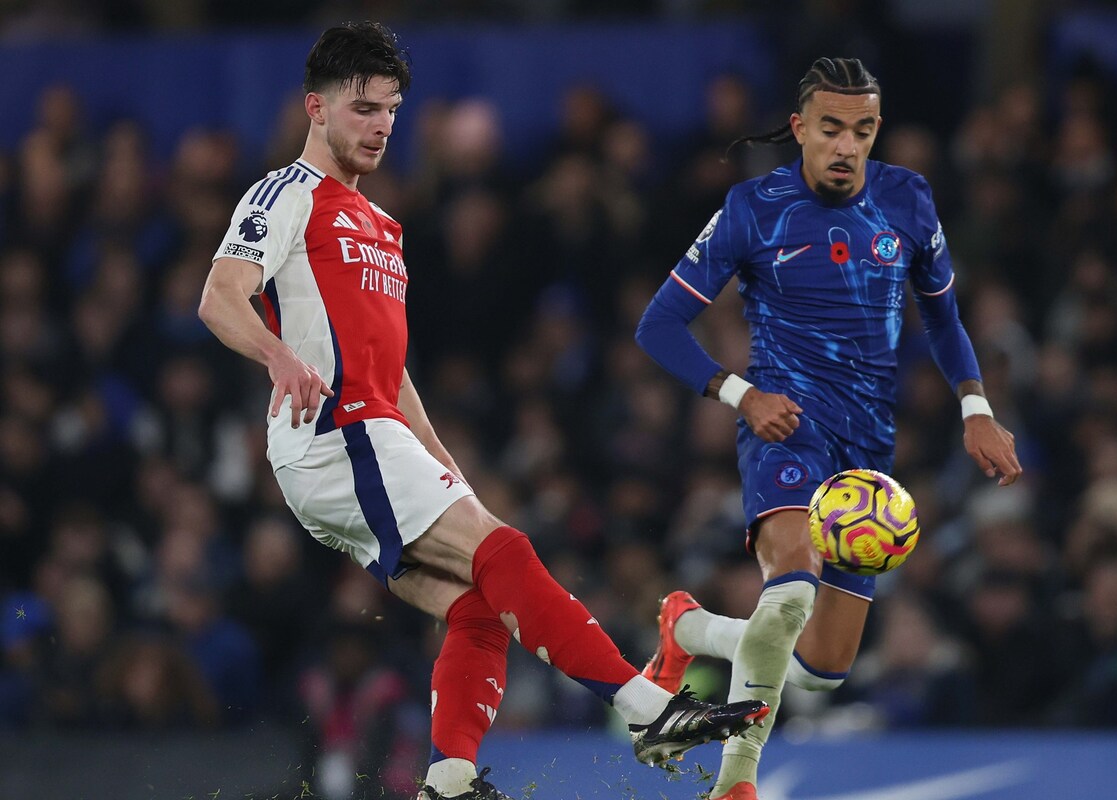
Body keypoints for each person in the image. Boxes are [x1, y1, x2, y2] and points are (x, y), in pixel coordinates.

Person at [197, 21, 767, 800]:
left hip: (373, 436)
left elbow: (392, 376)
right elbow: (219, 295)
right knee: (509, 553)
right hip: (334, 437)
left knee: (479, 607)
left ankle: (450, 779)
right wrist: (276, 354)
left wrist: (444, 465)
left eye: (392, 109)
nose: (381, 125)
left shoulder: (385, 228)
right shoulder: (286, 192)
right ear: (316, 108)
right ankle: (646, 709)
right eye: (363, 107)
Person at [635, 57, 1022, 800]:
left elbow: (942, 315)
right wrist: (740, 395)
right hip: (787, 429)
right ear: (800, 128)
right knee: (788, 592)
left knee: (817, 669)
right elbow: (658, 325)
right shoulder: (754, 207)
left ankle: (688, 628)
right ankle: (736, 784)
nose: (847, 146)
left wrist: (976, 407)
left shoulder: (908, 200)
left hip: (868, 457)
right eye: (832, 129)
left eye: (864, 130)